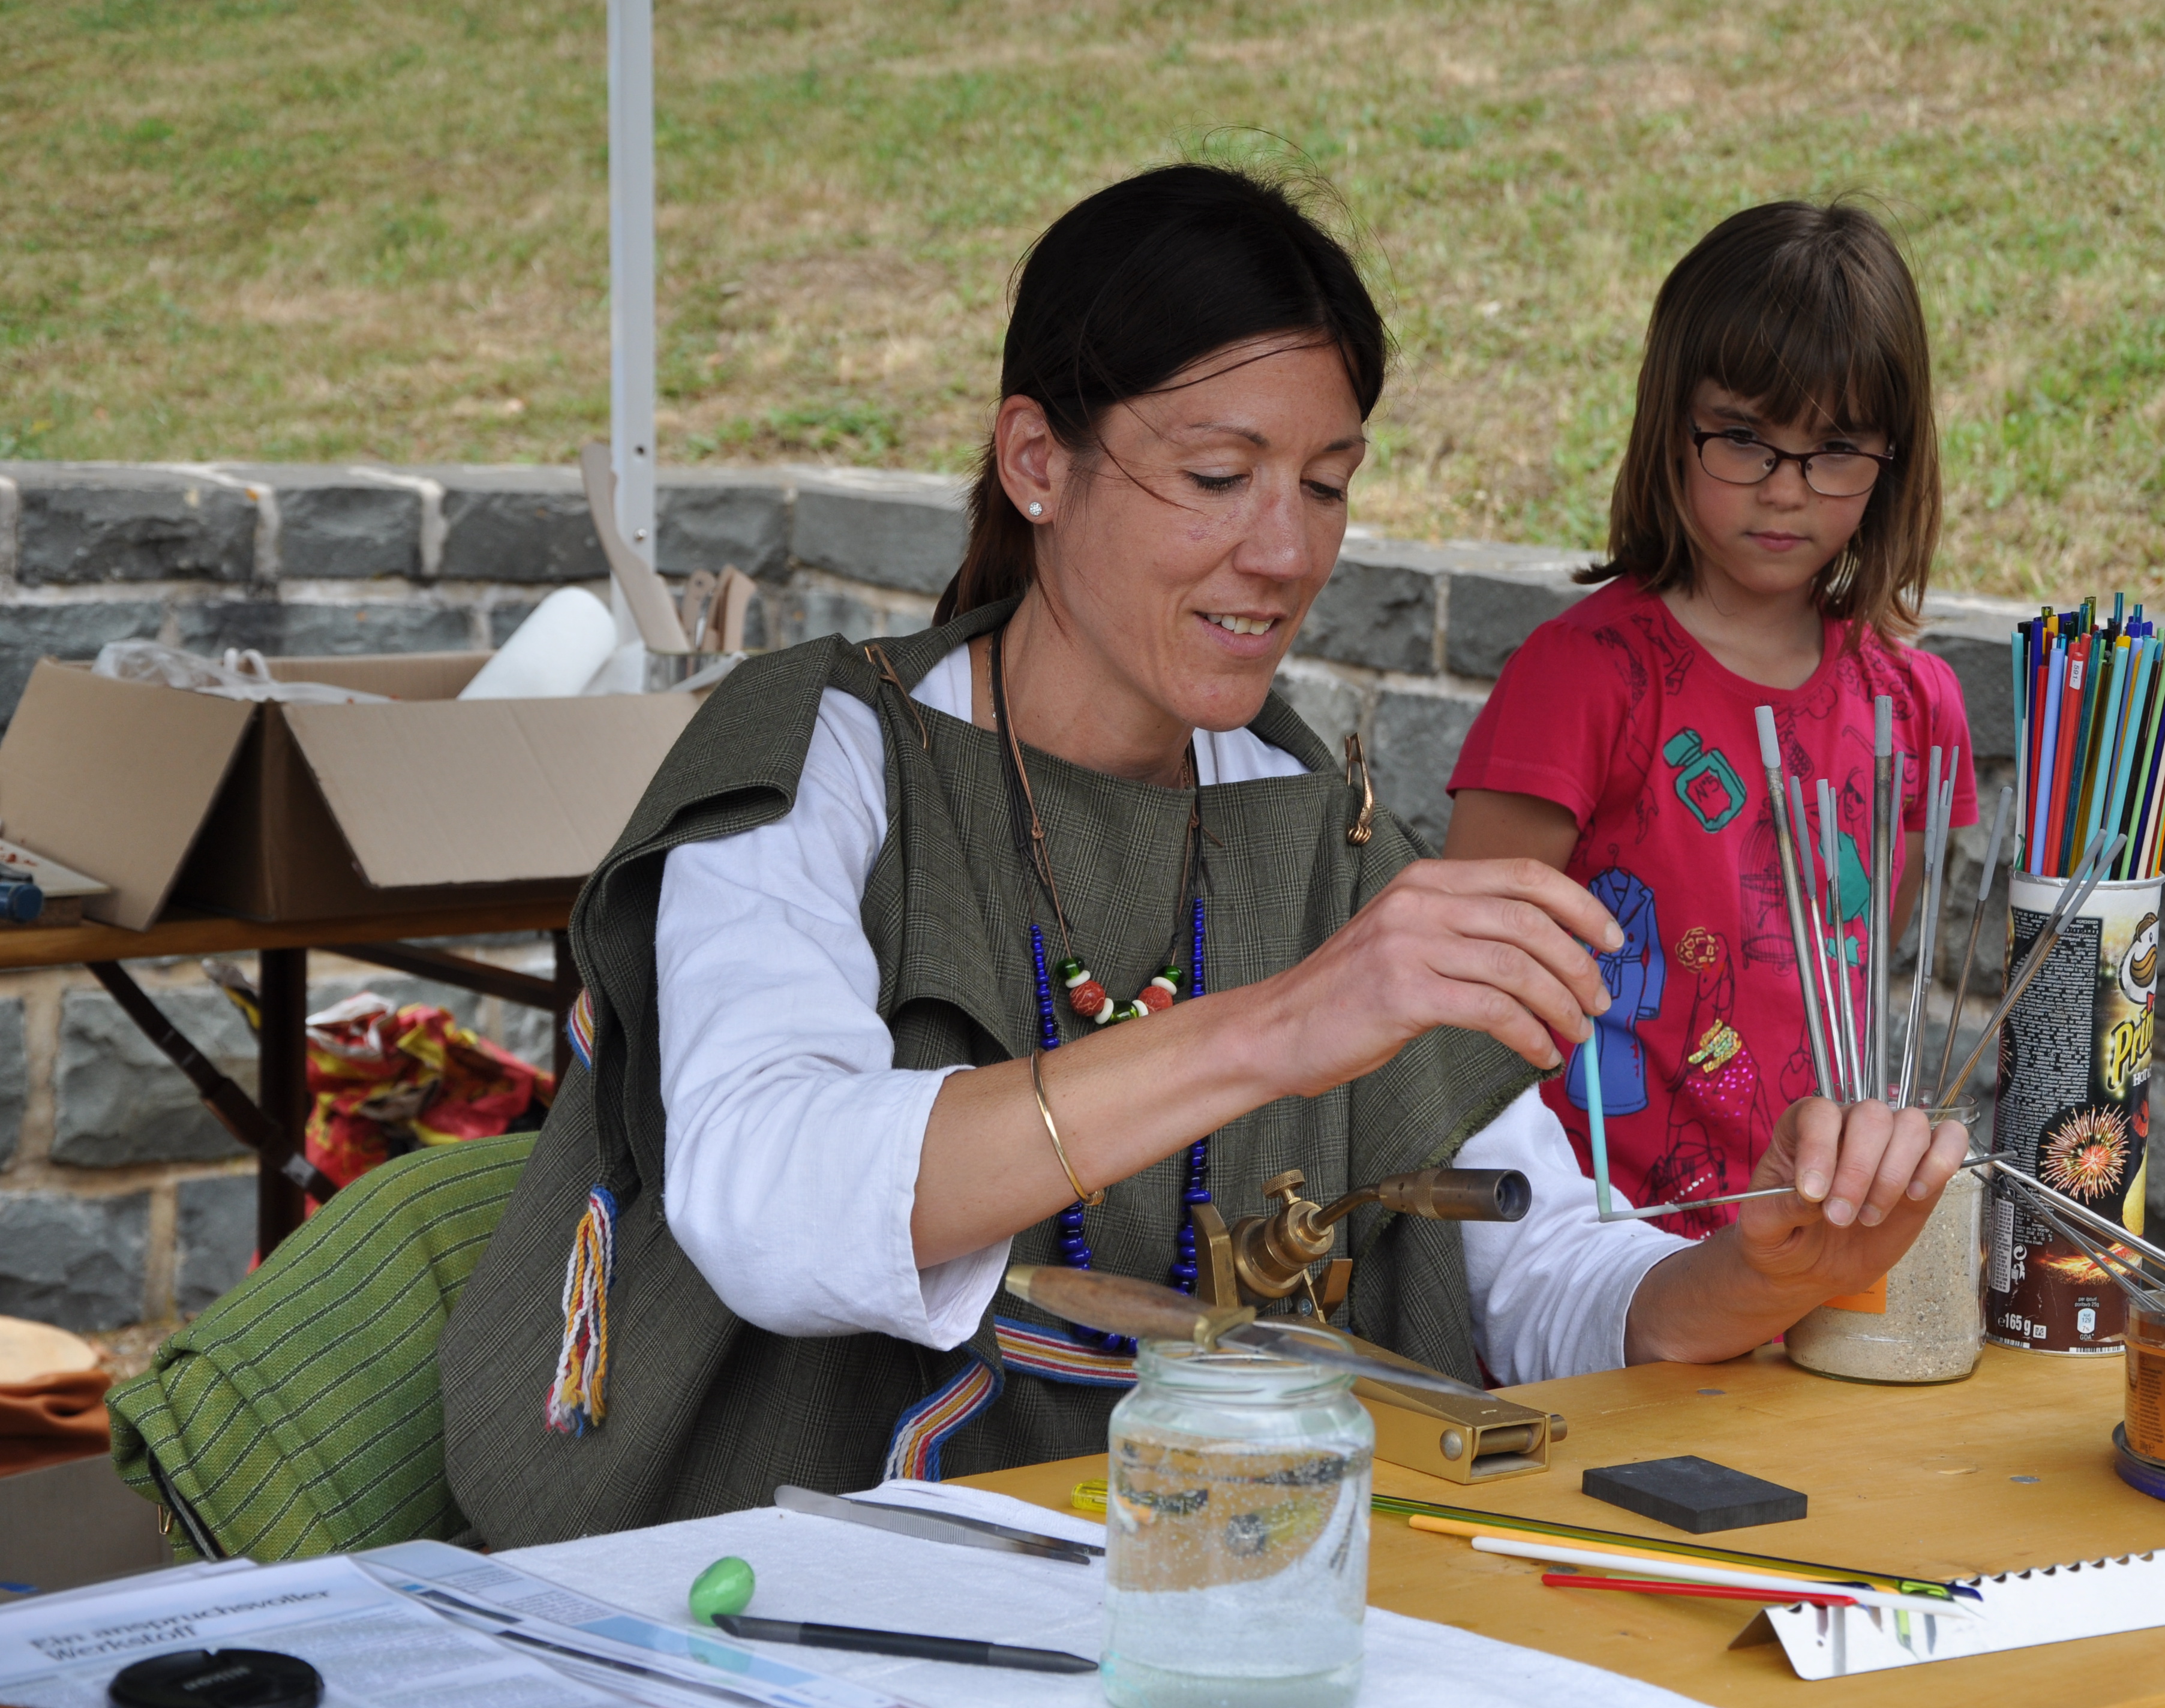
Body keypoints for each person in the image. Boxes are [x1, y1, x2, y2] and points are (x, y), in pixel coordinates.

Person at [439, 164, 1969, 1549]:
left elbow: (1541, 1282)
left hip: (1202, 1588)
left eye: (1324, 482)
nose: (1287, 551)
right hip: (769, 1590)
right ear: (1038, 459)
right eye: (1218, 474)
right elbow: (767, 1197)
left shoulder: (1312, 821)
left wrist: (1765, 1267)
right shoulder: (832, 750)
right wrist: (1275, 1027)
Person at [1443, 202, 1975, 1237]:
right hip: (1589, 1268)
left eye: (1837, 449)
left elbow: (1860, 959)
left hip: (1810, 1255)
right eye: (1743, 438)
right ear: (1669, 424)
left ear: (1894, 458)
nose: (1786, 492)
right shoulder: (1580, 677)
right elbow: (1466, 988)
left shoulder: (1916, 708)